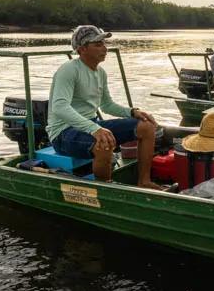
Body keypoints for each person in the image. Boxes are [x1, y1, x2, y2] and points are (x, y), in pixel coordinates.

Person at [46, 25, 163, 189]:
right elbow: (59, 107)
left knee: (146, 126)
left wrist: (132, 112)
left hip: (90, 125)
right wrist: (94, 129)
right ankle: (105, 189)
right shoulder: (69, 70)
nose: (105, 49)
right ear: (82, 49)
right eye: (98, 44)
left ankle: (144, 181)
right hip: (63, 133)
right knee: (104, 143)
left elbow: (107, 105)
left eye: (104, 43)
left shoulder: (100, 72)